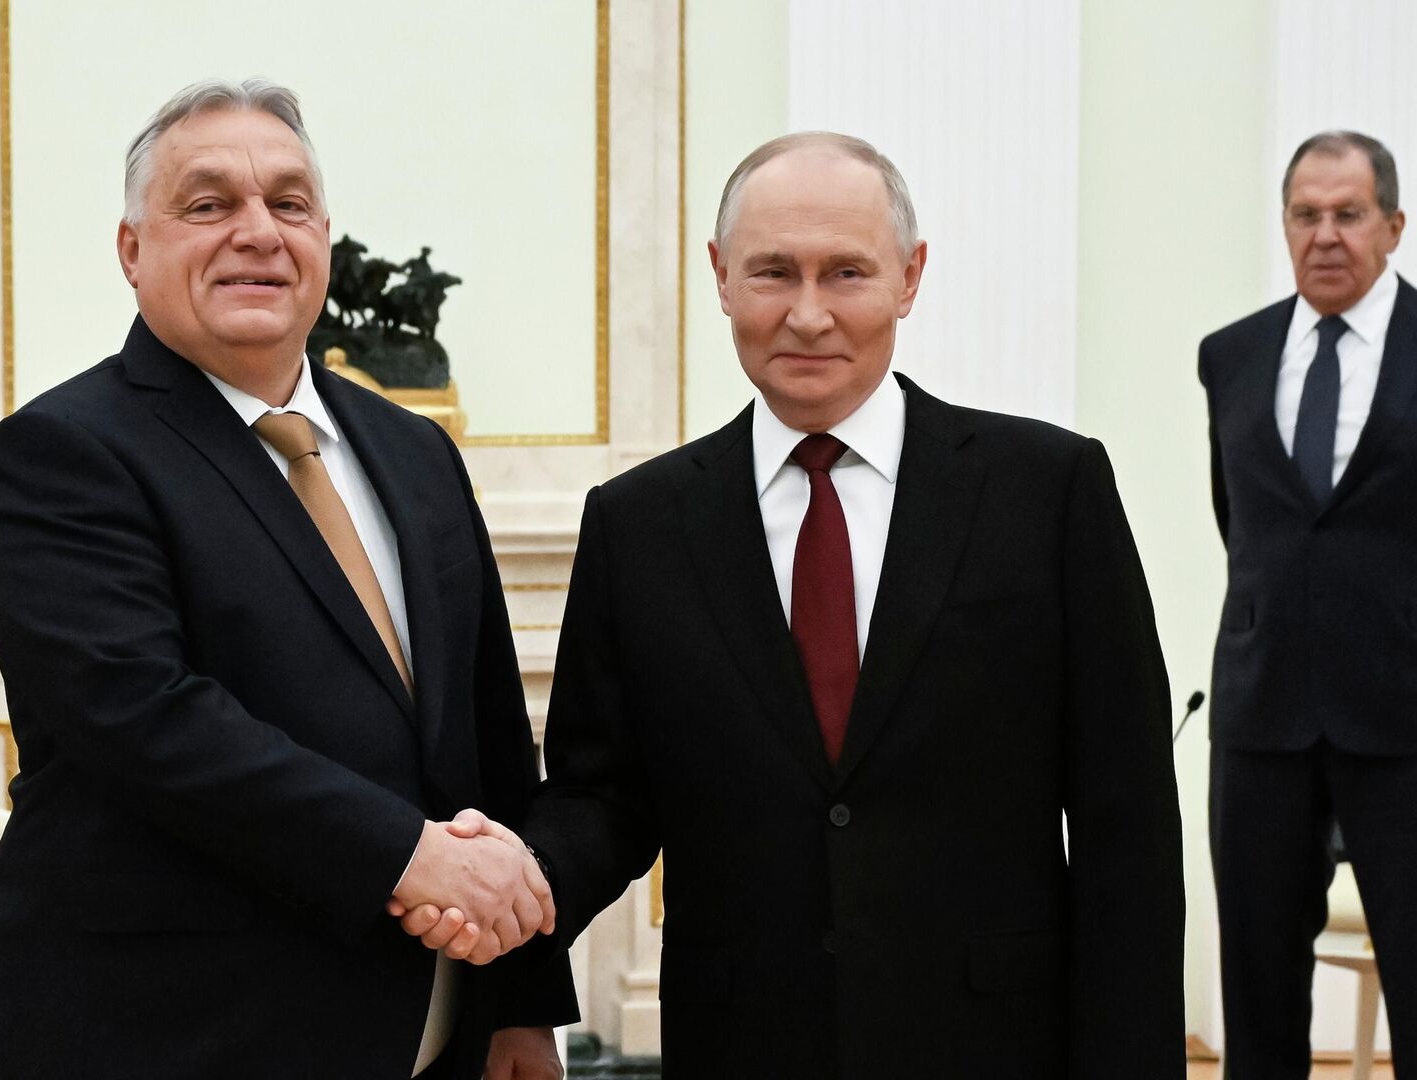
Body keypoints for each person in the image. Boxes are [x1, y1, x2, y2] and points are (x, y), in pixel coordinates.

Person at [406, 132, 1186, 1076]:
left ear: (910, 277)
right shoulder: (640, 524)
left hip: (994, 1044)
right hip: (743, 1043)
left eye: (846, 273)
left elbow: (1126, 823)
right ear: (722, 277)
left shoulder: (1049, 491)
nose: (807, 315)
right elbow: (602, 795)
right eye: (774, 272)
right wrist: (515, 884)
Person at [0, 79, 574, 1080]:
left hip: (429, 1036)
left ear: (324, 235)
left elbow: (487, 731)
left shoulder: (415, 451)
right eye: (207, 205)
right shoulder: (61, 453)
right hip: (165, 1036)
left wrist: (522, 1005)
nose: (256, 233)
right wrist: (409, 856)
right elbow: (150, 723)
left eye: (288, 204)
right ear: (131, 251)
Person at [1199, 129, 1417, 1077]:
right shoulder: (1230, 356)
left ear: (1394, 226)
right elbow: (1241, 523)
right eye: (1305, 215)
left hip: (1405, 713)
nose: (1326, 235)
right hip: (1261, 711)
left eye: (1349, 214)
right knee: (1258, 988)